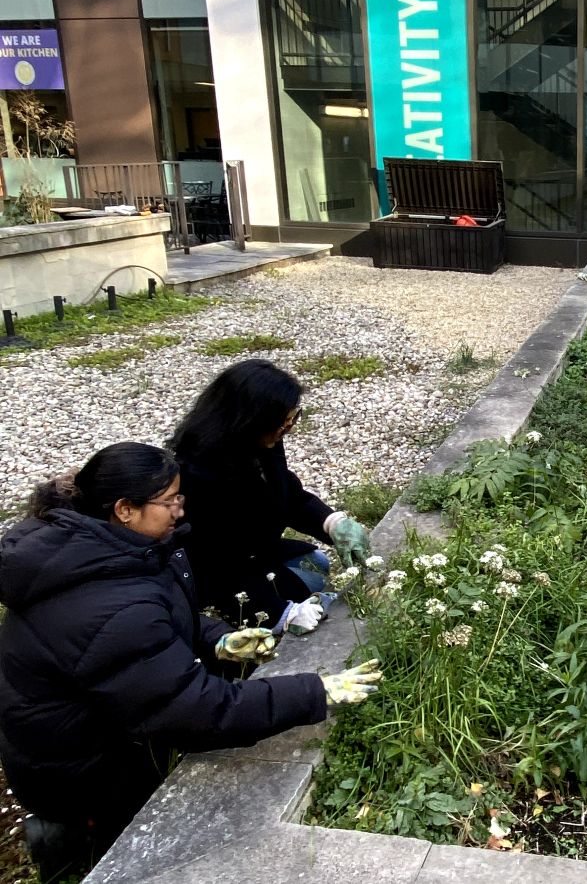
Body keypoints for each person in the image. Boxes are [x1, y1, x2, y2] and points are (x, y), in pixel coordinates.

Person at [0, 442, 382, 882]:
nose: (181, 510)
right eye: (171, 501)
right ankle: (66, 837)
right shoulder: (105, 599)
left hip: (103, 720)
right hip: (80, 765)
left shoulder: (105, 545)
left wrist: (218, 639)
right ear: (125, 508)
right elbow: (196, 713)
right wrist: (314, 691)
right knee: (137, 840)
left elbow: (154, 617)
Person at [167, 359, 373, 635]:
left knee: (316, 563)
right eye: (282, 421)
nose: (288, 426)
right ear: (249, 418)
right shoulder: (198, 474)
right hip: (223, 572)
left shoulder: (262, 442)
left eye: (293, 418)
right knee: (309, 588)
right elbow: (219, 563)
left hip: (254, 550)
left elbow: (288, 494)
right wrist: (282, 614)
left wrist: (331, 523)